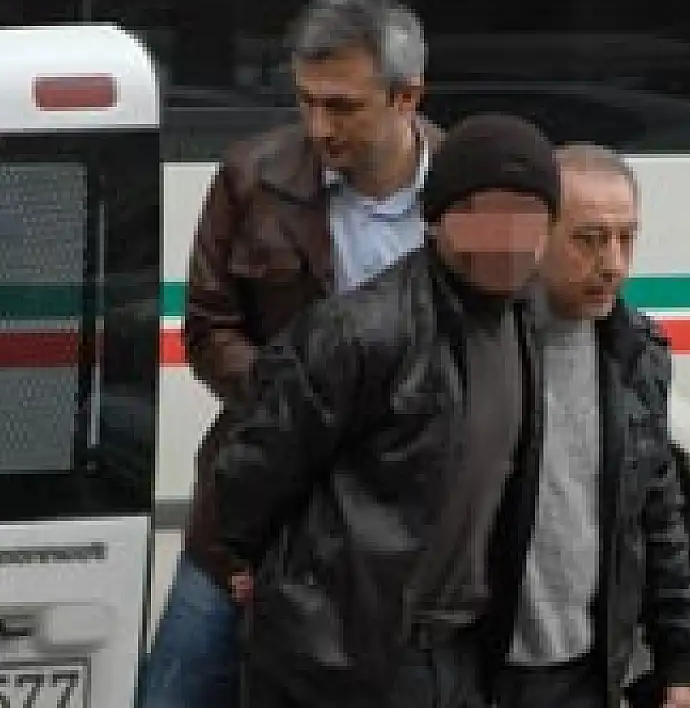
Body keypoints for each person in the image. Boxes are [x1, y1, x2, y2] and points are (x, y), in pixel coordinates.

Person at [142, 0, 439, 704]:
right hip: (253, 507)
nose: (318, 127)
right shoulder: (254, 177)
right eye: (306, 101)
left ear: (406, 97)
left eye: (342, 106)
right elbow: (209, 329)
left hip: (402, 518)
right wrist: (298, 409)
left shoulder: (465, 191)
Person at [203, 113, 560, 708]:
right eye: (485, 214)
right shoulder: (358, 332)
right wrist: (275, 579)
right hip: (344, 657)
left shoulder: (526, 323)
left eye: (528, 217)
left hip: (459, 652)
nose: (507, 238)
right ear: (437, 220)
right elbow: (253, 473)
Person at [493, 143, 690, 708]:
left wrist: (680, 663)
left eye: (625, 239)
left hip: (588, 671)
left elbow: (659, 516)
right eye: (588, 240)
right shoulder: (486, 345)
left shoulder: (637, 355)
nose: (612, 264)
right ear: (538, 236)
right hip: (485, 670)